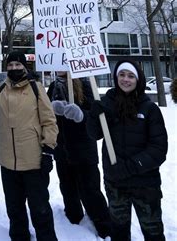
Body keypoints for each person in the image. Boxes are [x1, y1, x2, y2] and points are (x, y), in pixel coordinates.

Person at [0, 50, 58, 241]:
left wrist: (48, 151)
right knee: (14, 208)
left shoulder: (36, 88)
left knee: (40, 209)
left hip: (33, 160)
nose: (14, 68)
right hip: (7, 161)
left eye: (18, 65)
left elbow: (49, 121)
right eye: (10, 65)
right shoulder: (3, 87)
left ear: (24, 66)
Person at [87, 59, 168, 241]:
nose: (126, 79)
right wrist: (94, 115)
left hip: (145, 184)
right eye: (122, 75)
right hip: (115, 183)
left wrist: (129, 167)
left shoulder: (150, 109)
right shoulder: (107, 103)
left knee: (153, 231)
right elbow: (95, 134)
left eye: (131, 76)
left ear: (138, 80)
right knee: (119, 231)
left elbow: (158, 150)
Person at [47, 72, 110, 238]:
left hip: (84, 150)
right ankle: (74, 225)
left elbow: (96, 116)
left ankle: (105, 229)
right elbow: (45, 116)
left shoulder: (86, 84)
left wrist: (81, 114)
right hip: (62, 149)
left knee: (90, 192)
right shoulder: (54, 86)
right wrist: (51, 109)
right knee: (68, 189)